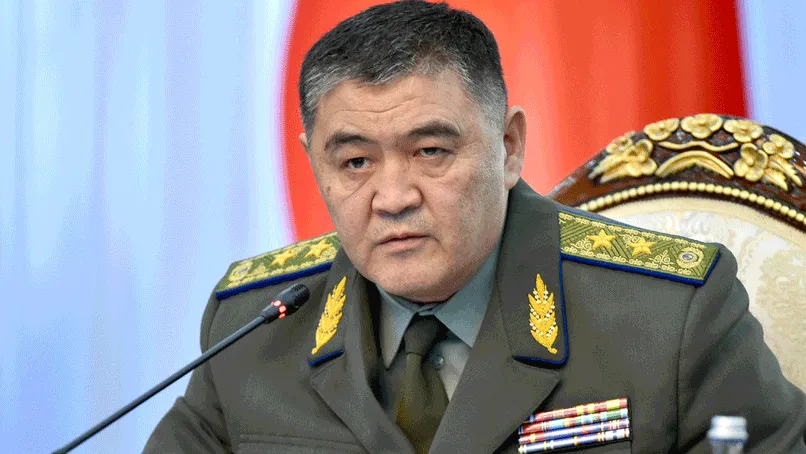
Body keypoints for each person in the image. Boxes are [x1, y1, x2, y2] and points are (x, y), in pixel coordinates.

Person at [145, 1, 806, 453]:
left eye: (431, 151)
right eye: (354, 162)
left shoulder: (670, 314)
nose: (393, 198)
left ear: (508, 147)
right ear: (314, 163)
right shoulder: (254, 325)